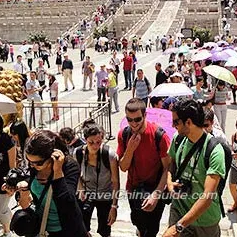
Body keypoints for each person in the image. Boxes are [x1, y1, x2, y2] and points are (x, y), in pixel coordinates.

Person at [4, 130, 87, 236]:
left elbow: (67, 202)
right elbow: (29, 178)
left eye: (38, 163)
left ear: (52, 156)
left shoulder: (69, 167)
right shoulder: (34, 168)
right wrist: (19, 185)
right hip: (40, 227)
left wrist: (58, 172)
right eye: (30, 162)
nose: (32, 166)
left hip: (67, 229)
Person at [164, 98, 225, 237]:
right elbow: (170, 164)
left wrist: (178, 227)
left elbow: (207, 196)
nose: (173, 126)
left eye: (176, 122)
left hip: (205, 220)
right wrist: (169, 182)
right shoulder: (178, 139)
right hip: (179, 210)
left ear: (189, 122)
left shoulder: (214, 150)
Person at [117, 98, 170, 237]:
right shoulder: (124, 134)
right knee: (138, 223)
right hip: (133, 189)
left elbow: (168, 168)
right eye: (129, 119)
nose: (133, 123)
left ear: (145, 115)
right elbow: (123, 167)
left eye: (137, 119)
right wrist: (130, 149)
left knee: (152, 230)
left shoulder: (159, 136)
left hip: (154, 188)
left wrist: (156, 194)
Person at [75, 122, 120, 237]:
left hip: (105, 195)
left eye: (98, 142)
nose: (95, 146)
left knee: (105, 230)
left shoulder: (109, 155)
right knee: (81, 227)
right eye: (91, 142)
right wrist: (80, 189)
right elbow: (76, 174)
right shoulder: (78, 153)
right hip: (87, 194)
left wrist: (114, 206)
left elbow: (115, 181)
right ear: (85, 140)